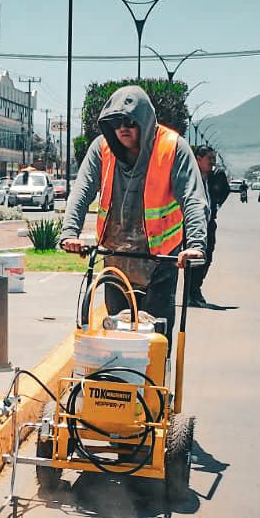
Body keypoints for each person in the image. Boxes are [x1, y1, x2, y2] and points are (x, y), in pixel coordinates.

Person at [59, 86, 207, 337]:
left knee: (155, 338)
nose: (122, 128)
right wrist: (69, 232)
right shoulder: (101, 149)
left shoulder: (173, 148)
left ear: (145, 121)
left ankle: (157, 375)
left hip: (160, 260)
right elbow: (81, 191)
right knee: (117, 336)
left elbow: (192, 198)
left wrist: (195, 244)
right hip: (116, 258)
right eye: (116, 122)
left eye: (130, 121)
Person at [188, 145, 230, 308]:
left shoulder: (217, 176)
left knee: (206, 256)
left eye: (214, 159)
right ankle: (191, 291)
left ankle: (194, 289)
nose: (213, 162)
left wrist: (216, 205)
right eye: (209, 159)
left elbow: (225, 191)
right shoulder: (189, 175)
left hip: (208, 222)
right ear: (198, 159)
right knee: (186, 257)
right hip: (187, 224)